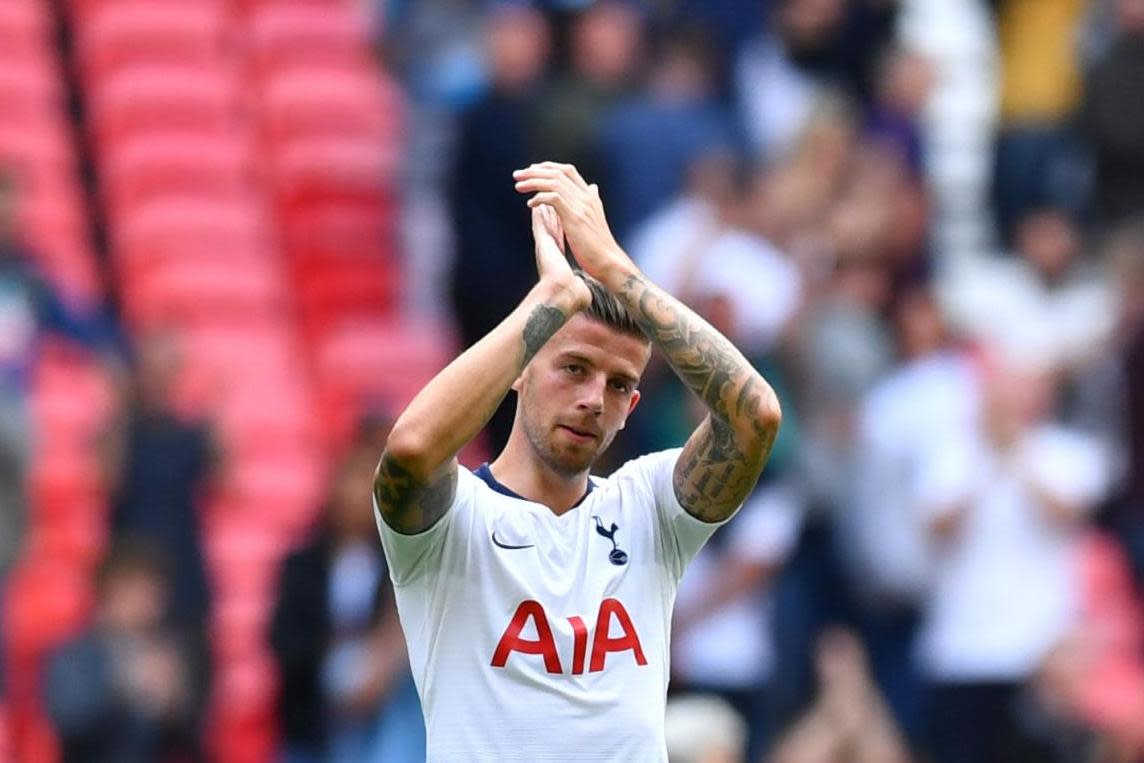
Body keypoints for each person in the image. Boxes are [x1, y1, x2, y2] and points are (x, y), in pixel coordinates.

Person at [372, 161, 782, 760]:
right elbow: (410, 448)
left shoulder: (648, 509)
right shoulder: (452, 520)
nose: (594, 398)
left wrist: (617, 270)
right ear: (516, 372)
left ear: (633, 405)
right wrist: (557, 296)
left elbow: (757, 417)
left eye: (619, 385)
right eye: (573, 368)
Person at [44, 540, 209, 763]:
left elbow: (192, 739)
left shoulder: (170, 652)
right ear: (107, 593)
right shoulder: (74, 656)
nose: (146, 602)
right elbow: (71, 724)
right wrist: (124, 687)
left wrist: (173, 704)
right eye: (135, 590)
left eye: (153, 592)